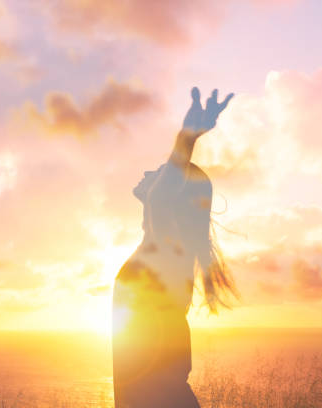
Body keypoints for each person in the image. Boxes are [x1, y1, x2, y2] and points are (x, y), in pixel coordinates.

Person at [112, 87, 238, 407]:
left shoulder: (166, 249)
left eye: (160, 173)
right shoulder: (167, 252)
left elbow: (160, 197)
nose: (147, 173)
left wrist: (187, 138)